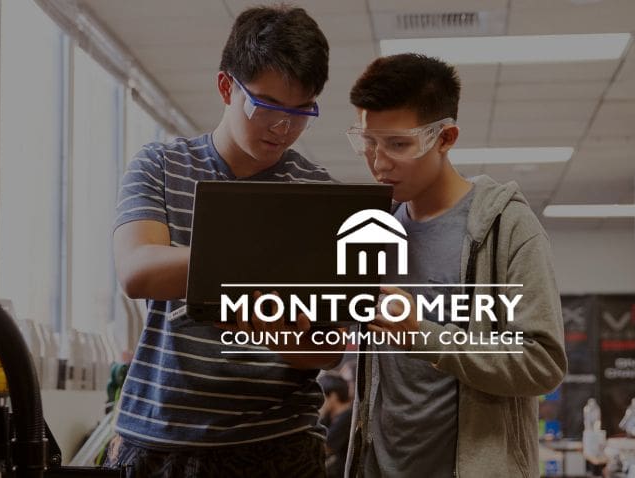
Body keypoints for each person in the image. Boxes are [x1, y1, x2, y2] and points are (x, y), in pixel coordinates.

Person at [107, 6, 341, 477]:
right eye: (268, 107)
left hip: (276, 444)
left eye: (301, 112)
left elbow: (326, 348)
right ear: (225, 87)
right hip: (160, 440)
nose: (283, 128)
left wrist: (274, 331)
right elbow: (138, 271)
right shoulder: (160, 164)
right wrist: (266, 259)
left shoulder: (319, 195)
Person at [343, 54, 567, 477]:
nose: (378, 161)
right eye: (369, 142)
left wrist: (423, 336)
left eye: (398, 144)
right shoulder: (375, 232)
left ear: (445, 138)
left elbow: (543, 362)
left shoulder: (508, 227)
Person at [318, 374, 352, 478]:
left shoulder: (347, 416)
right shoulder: (330, 415)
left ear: (333, 396)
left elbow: (325, 448)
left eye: (321, 396)